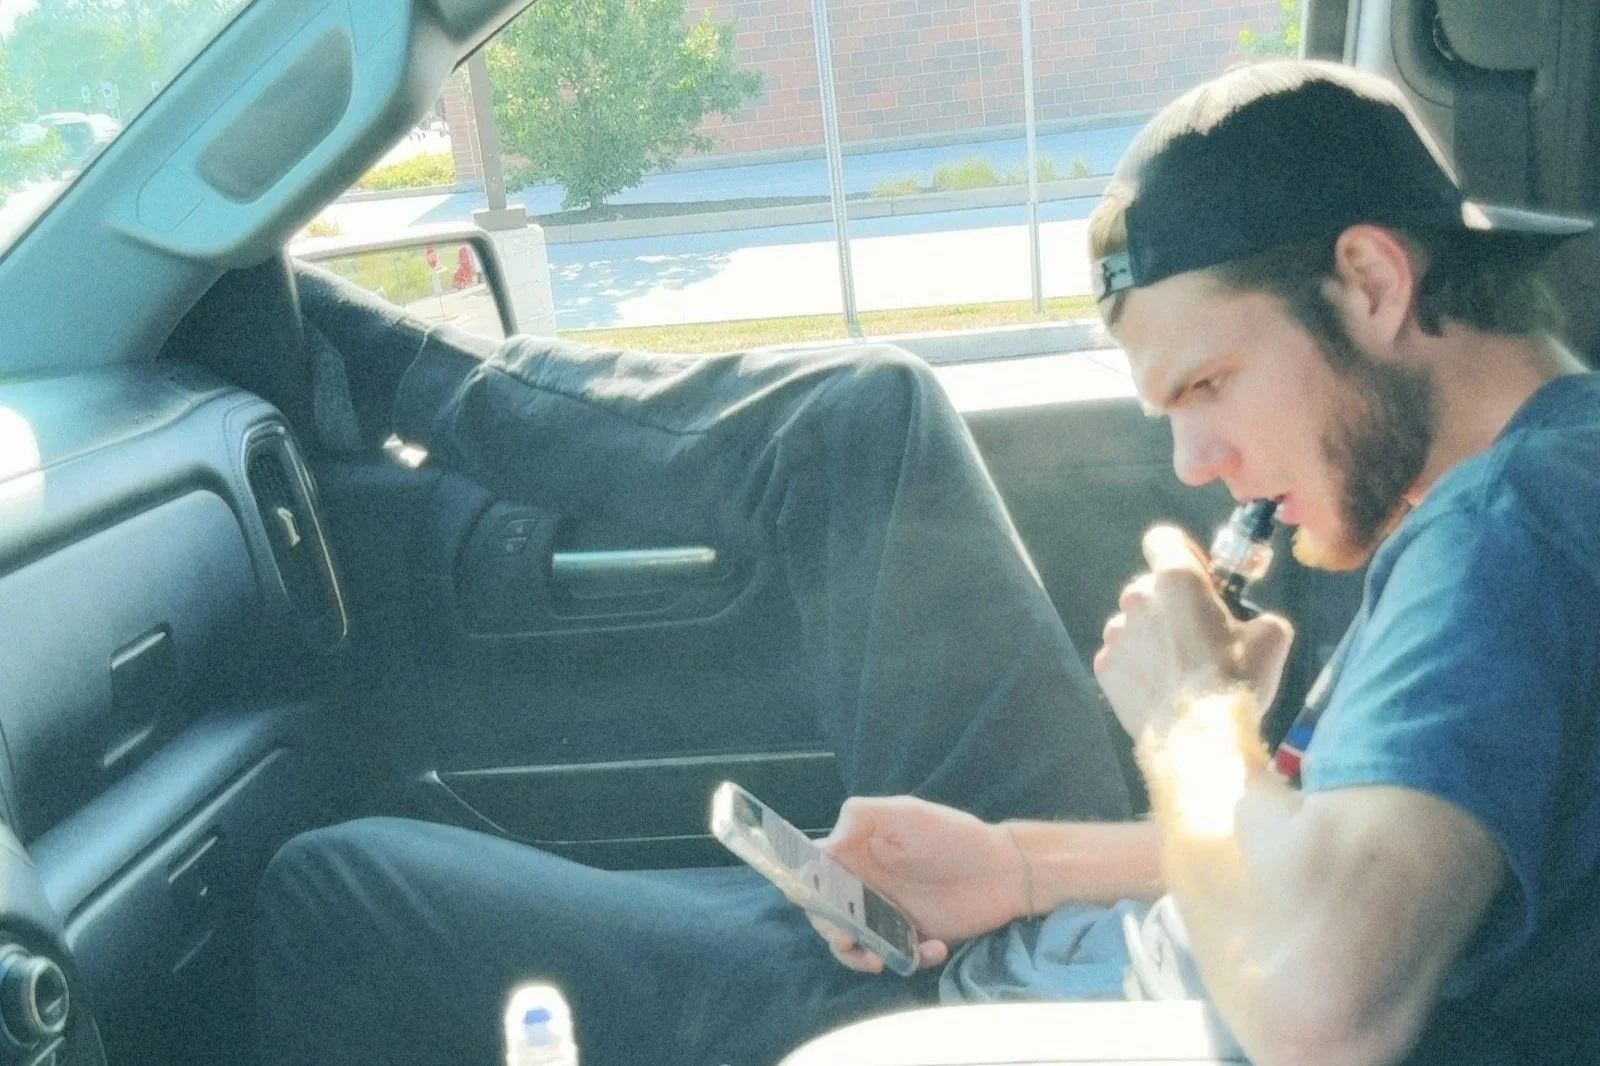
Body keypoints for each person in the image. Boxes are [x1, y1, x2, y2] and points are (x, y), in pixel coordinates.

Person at [258, 59, 1600, 1066]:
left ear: (1371, 282)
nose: (1197, 461)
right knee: (868, 422)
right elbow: (1346, 862)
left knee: (340, 884)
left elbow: (1322, 999)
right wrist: (1016, 863)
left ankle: (371, 361)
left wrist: (1198, 725)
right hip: (1093, 942)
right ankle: (393, 365)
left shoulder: (1503, 533)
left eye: (1211, 379)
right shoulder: (1531, 476)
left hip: (1053, 1016)